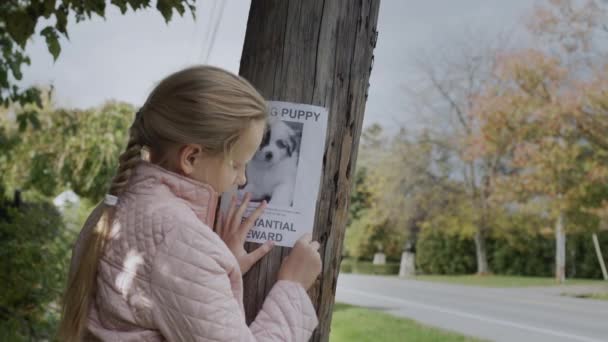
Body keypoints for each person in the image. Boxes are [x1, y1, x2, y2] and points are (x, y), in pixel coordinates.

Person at [58, 66, 322, 341]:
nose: (242, 179)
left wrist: (218, 267)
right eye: (236, 165)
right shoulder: (180, 241)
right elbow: (173, 262)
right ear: (191, 158)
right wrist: (293, 288)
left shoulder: (110, 208)